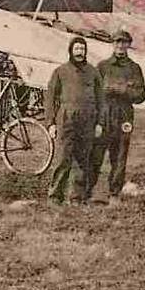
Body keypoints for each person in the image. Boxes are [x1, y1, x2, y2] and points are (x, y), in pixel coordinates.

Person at [88, 30, 145, 204]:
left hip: (124, 117)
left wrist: (121, 90)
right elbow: (93, 92)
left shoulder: (134, 68)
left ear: (129, 45)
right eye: (117, 42)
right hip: (104, 115)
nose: (120, 46)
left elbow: (141, 95)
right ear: (112, 44)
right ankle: (88, 191)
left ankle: (114, 194)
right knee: (96, 154)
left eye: (124, 42)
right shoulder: (102, 66)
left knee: (120, 156)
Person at [45, 36, 104, 205]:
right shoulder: (60, 71)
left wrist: (99, 123)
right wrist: (51, 123)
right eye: (77, 49)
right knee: (63, 158)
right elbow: (50, 99)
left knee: (82, 160)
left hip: (87, 120)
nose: (80, 52)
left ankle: (77, 197)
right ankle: (55, 196)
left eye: (82, 49)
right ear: (71, 51)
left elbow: (101, 100)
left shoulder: (93, 72)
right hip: (66, 119)